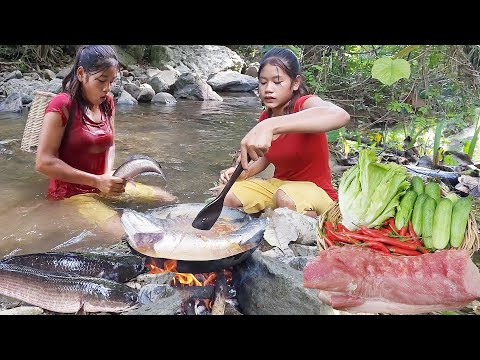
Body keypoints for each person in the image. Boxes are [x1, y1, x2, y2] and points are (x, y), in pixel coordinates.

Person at [35, 45, 176, 237]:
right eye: (101, 80)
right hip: (72, 194)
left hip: (104, 182)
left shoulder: (107, 102)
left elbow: (110, 144)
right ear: (81, 73)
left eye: (111, 81)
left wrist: (108, 175)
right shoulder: (62, 105)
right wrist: (97, 181)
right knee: (124, 234)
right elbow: (43, 162)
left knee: (167, 199)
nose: (107, 88)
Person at [218, 47, 350, 218]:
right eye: (263, 82)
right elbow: (266, 156)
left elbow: (340, 115)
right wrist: (244, 172)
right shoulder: (266, 116)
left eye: (277, 82)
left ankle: (316, 219)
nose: (268, 89)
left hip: (316, 191)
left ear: (295, 83)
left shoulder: (305, 104)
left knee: (285, 197)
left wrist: (272, 125)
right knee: (226, 195)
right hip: (278, 186)